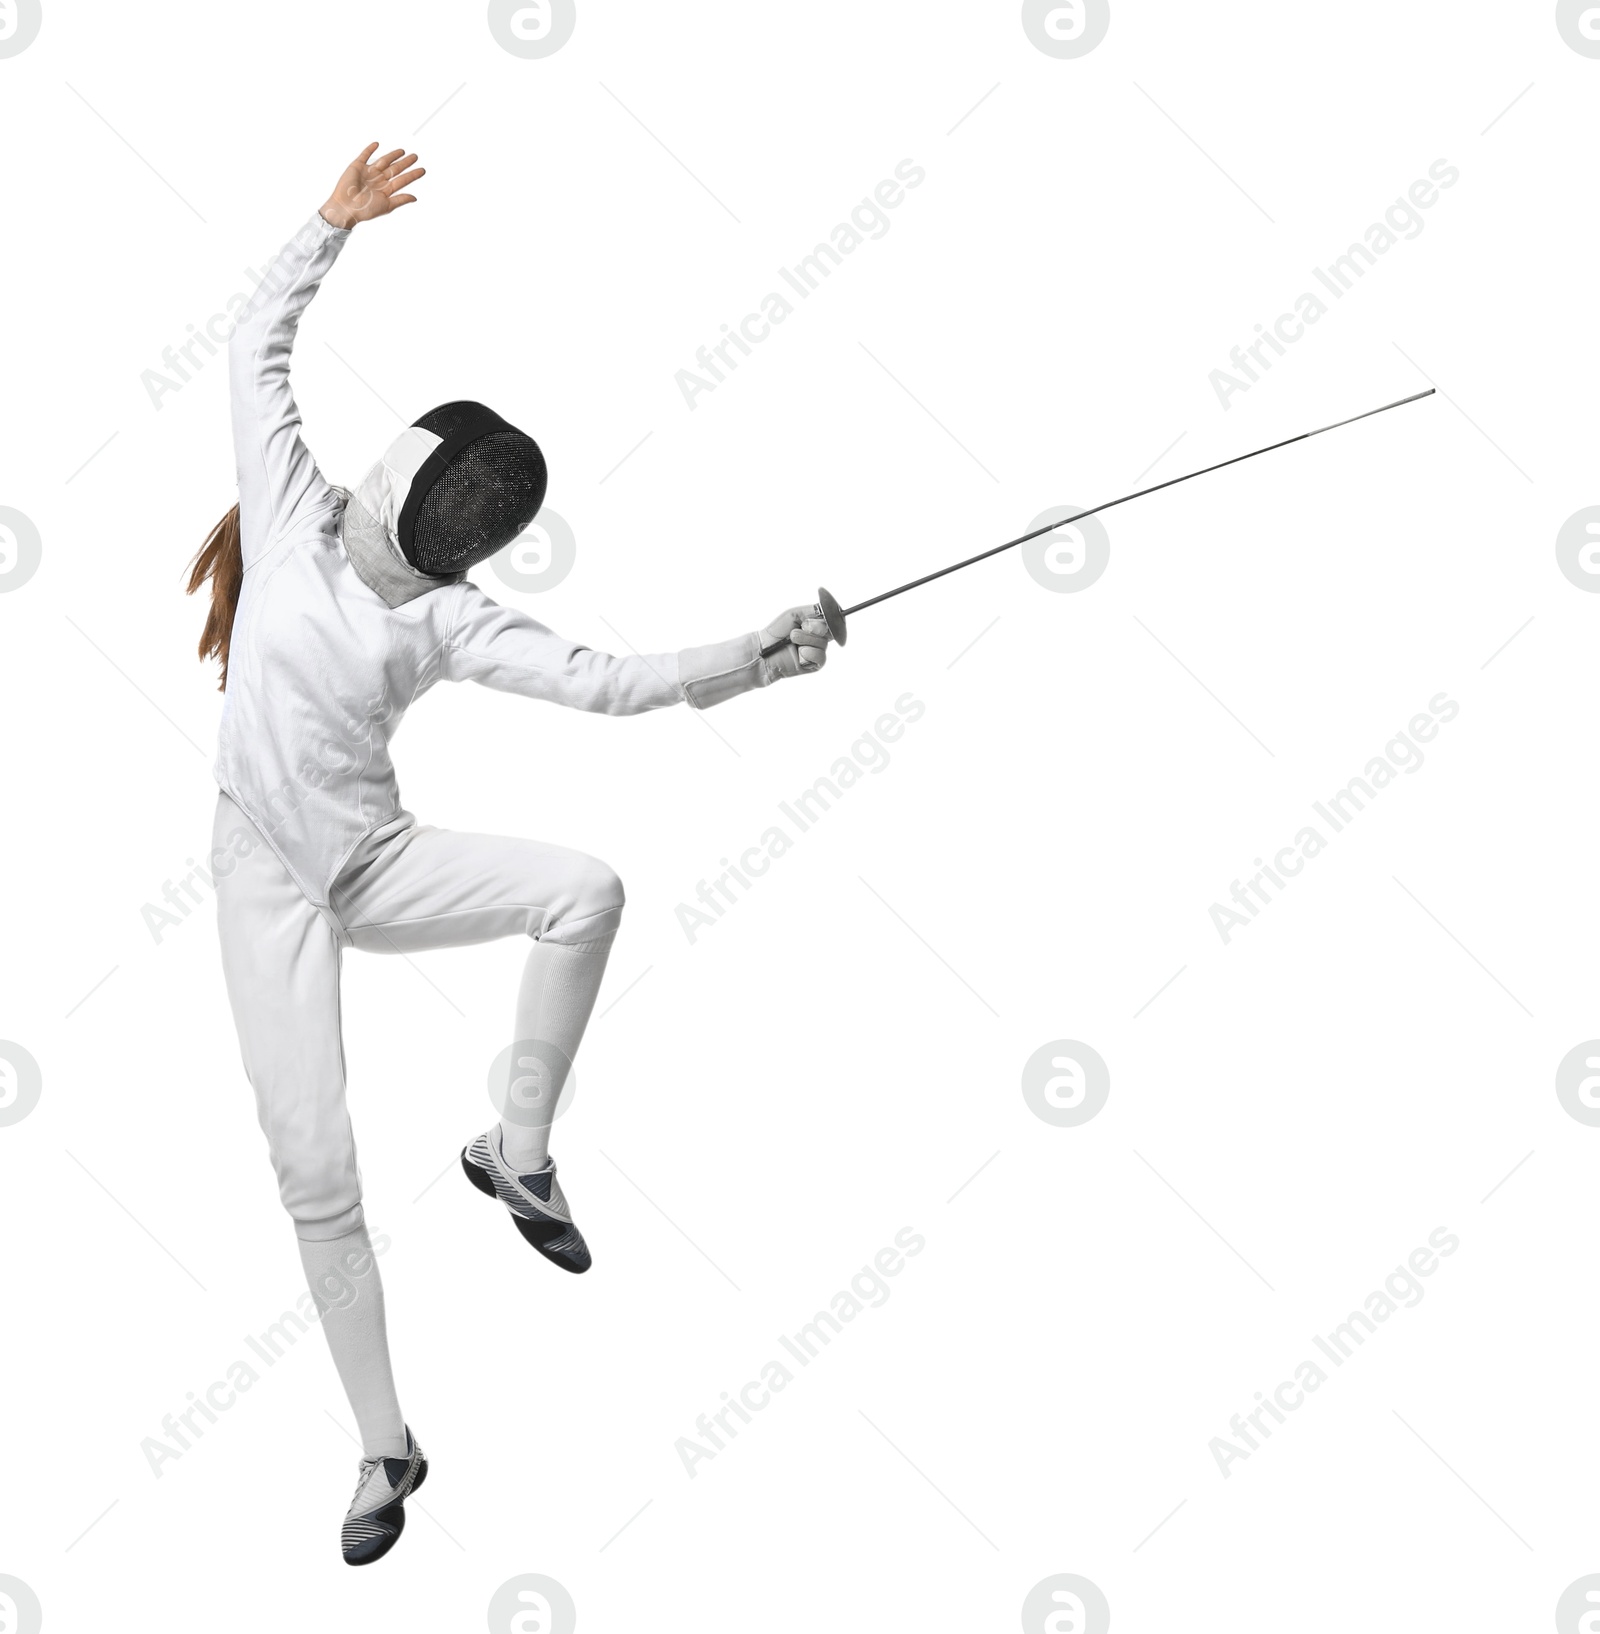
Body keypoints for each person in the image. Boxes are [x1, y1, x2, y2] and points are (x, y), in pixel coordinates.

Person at [188, 144, 832, 1565]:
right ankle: (385, 1444)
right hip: (262, 885)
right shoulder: (290, 501)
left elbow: (609, 680)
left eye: (427, 540)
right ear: (385, 471)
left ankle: (515, 1149)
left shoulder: (448, 618)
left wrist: (756, 657)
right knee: (315, 1168)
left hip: (372, 860)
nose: (387, 537)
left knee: (586, 890)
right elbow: (255, 340)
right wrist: (327, 228)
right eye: (403, 506)